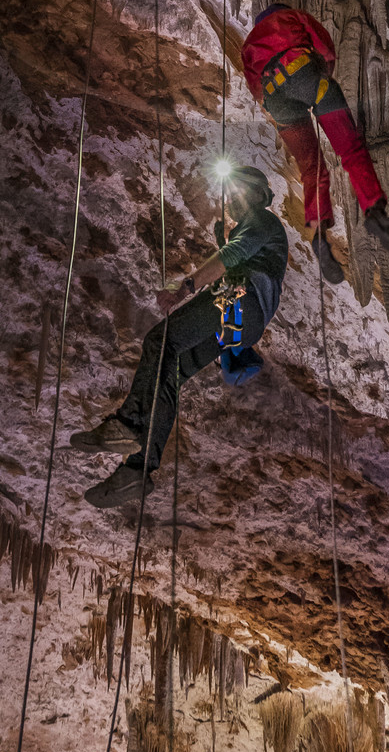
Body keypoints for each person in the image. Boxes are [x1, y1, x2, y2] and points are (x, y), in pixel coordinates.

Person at [70, 164, 286, 511]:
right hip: (243, 321)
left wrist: (186, 286)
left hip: (238, 299)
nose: (231, 199)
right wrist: (223, 240)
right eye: (231, 193)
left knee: (160, 342)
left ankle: (125, 425)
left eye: (238, 192)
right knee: (170, 372)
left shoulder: (263, 221)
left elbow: (232, 257)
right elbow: (236, 253)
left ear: (258, 196)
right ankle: (137, 470)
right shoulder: (255, 230)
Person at [242, 2, 389, 286]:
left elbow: (255, 89)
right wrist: (324, 72)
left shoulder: (249, 46)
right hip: (303, 72)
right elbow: (324, 45)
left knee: (311, 169)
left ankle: (318, 234)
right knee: (350, 148)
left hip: (275, 98)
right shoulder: (290, 16)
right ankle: (374, 211)